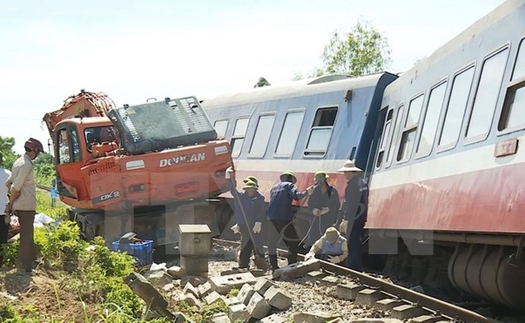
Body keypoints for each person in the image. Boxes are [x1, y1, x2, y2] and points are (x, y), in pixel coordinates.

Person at [5, 138, 44, 273]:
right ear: (33, 151)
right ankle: (22, 266)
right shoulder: (26, 164)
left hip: (20, 204)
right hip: (25, 205)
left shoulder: (18, 162)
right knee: (26, 236)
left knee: (28, 233)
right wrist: (11, 203)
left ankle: (32, 260)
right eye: (37, 152)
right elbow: (16, 187)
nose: (37, 155)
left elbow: (8, 182)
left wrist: (11, 201)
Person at [267, 170, 313, 270]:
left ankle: (274, 266)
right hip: (284, 218)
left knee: (272, 244)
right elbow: (296, 196)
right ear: (291, 179)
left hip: (271, 218)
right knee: (292, 242)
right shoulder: (289, 185)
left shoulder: (274, 187)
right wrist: (307, 192)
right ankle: (291, 264)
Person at [225, 167, 266, 269]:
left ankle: (261, 263)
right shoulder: (240, 196)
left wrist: (259, 222)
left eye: (252, 189)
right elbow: (232, 189)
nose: (251, 191)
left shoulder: (259, 198)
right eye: (249, 189)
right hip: (244, 224)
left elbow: (261, 211)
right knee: (246, 244)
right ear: (246, 189)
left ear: (255, 188)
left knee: (258, 244)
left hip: (255, 225)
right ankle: (243, 264)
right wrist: (228, 178)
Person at [338, 160, 369, 271]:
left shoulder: (352, 185)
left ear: (351, 172)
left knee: (352, 242)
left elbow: (350, 204)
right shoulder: (363, 183)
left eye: (346, 172)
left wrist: (346, 219)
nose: (345, 175)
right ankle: (355, 266)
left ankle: (353, 267)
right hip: (361, 217)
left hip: (352, 218)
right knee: (356, 241)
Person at [306, 171, 341, 248]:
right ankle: (310, 253)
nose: (320, 181)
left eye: (321, 179)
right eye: (318, 180)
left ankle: (324, 254)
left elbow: (337, 205)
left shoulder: (332, 191)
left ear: (325, 179)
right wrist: (313, 210)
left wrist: (328, 209)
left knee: (326, 238)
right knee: (313, 236)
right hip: (315, 219)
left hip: (328, 219)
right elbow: (310, 204)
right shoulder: (314, 191)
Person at [0, 152, 12, 267]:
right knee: (3, 237)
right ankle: (1, 262)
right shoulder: (8, 174)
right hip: (4, 210)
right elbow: (12, 192)